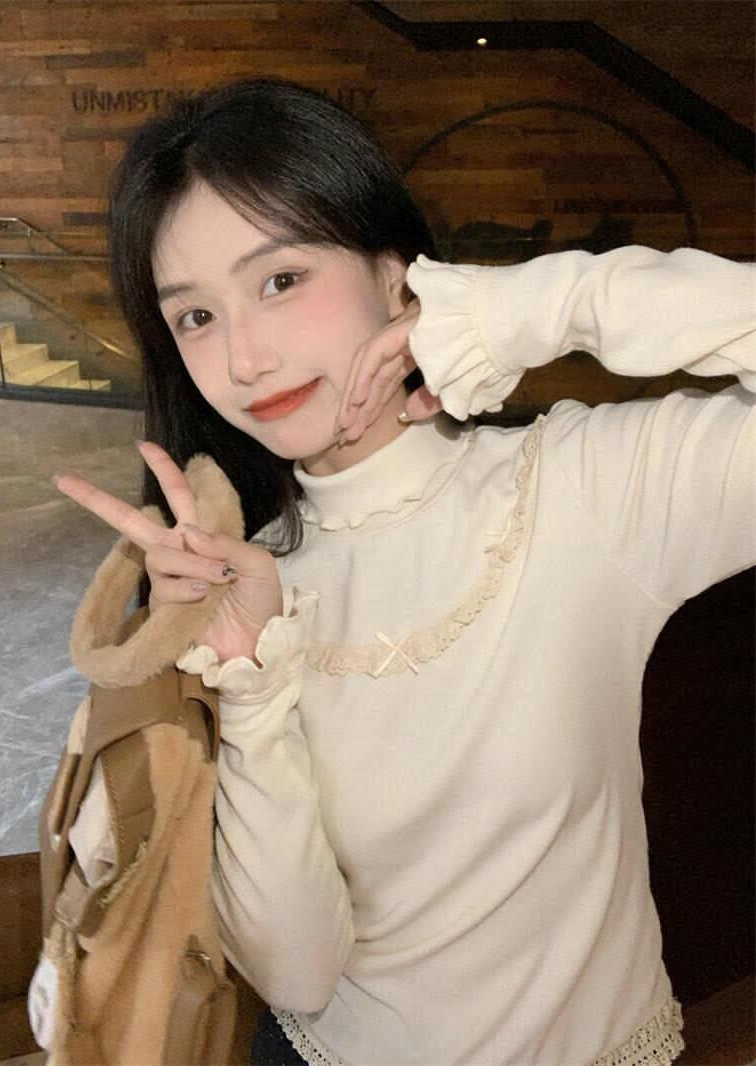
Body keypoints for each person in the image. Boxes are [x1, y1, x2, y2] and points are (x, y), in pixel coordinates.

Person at [50, 77, 755, 1066]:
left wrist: (533, 309)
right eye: (196, 316)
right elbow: (299, 975)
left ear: (393, 277)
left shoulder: (584, 489)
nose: (244, 358)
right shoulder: (237, 581)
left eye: (280, 280)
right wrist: (250, 688)